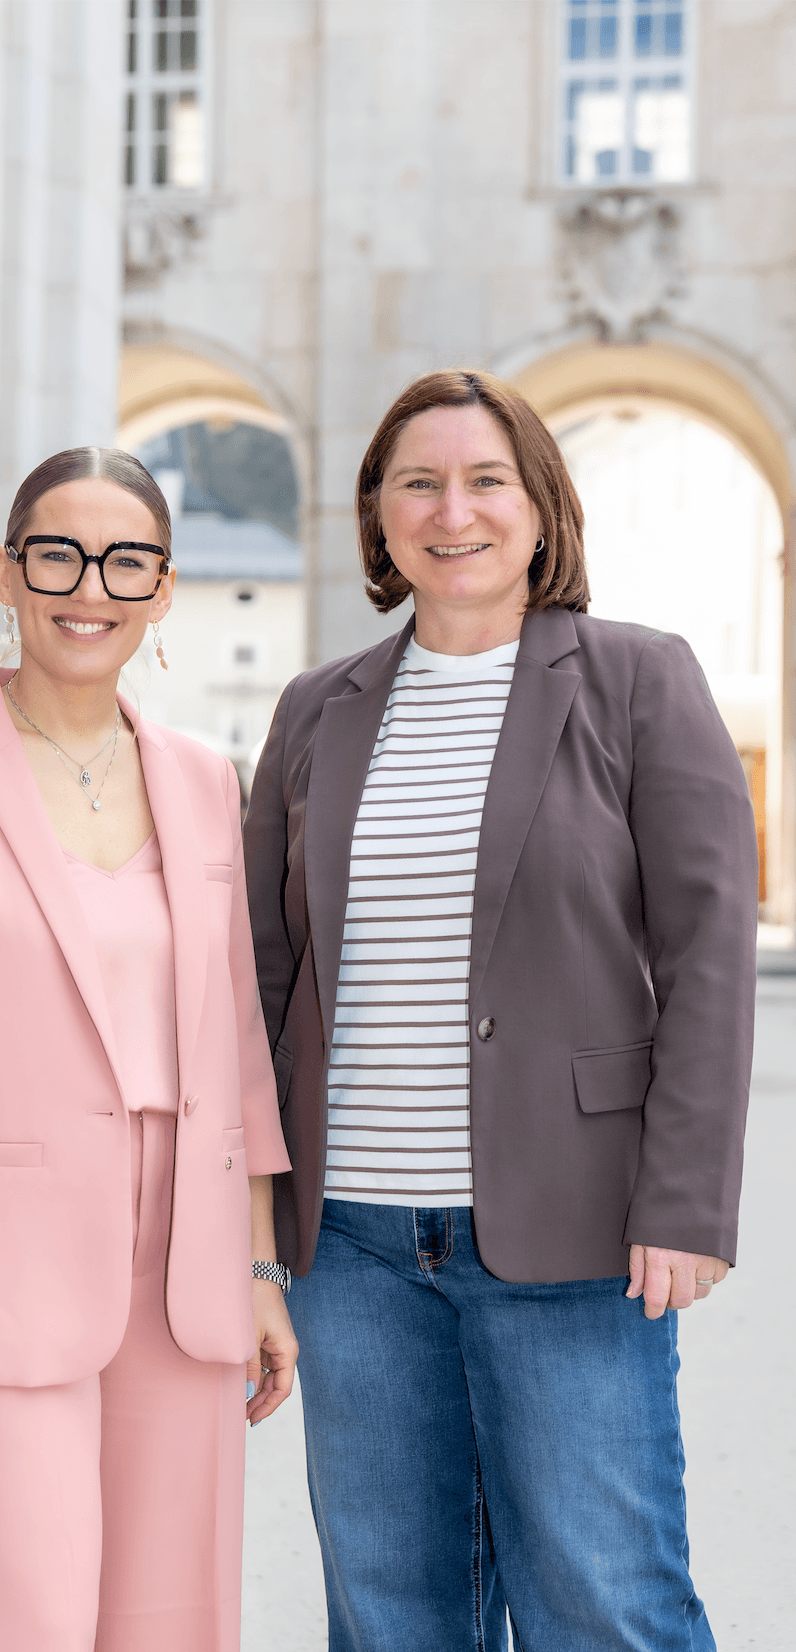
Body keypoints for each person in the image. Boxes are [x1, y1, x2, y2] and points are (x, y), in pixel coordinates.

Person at [242, 370, 758, 1651]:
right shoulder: (315, 709)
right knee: (390, 1610)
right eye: (416, 481)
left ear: (538, 507)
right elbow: (258, 974)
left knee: (606, 1601)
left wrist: (683, 1203)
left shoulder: (639, 679)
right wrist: (252, 1233)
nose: (450, 509)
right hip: (350, 1247)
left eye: (485, 479)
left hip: (574, 1234)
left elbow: (705, 956)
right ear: (375, 515)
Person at [0, 446, 298, 1652]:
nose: (91, 585)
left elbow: (232, 1036)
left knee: (172, 1620)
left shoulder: (199, 780)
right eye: (58, 553)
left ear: (164, 588)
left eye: (126, 559)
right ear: (7, 574)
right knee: (22, 1615)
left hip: (181, 1269)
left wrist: (257, 1263)